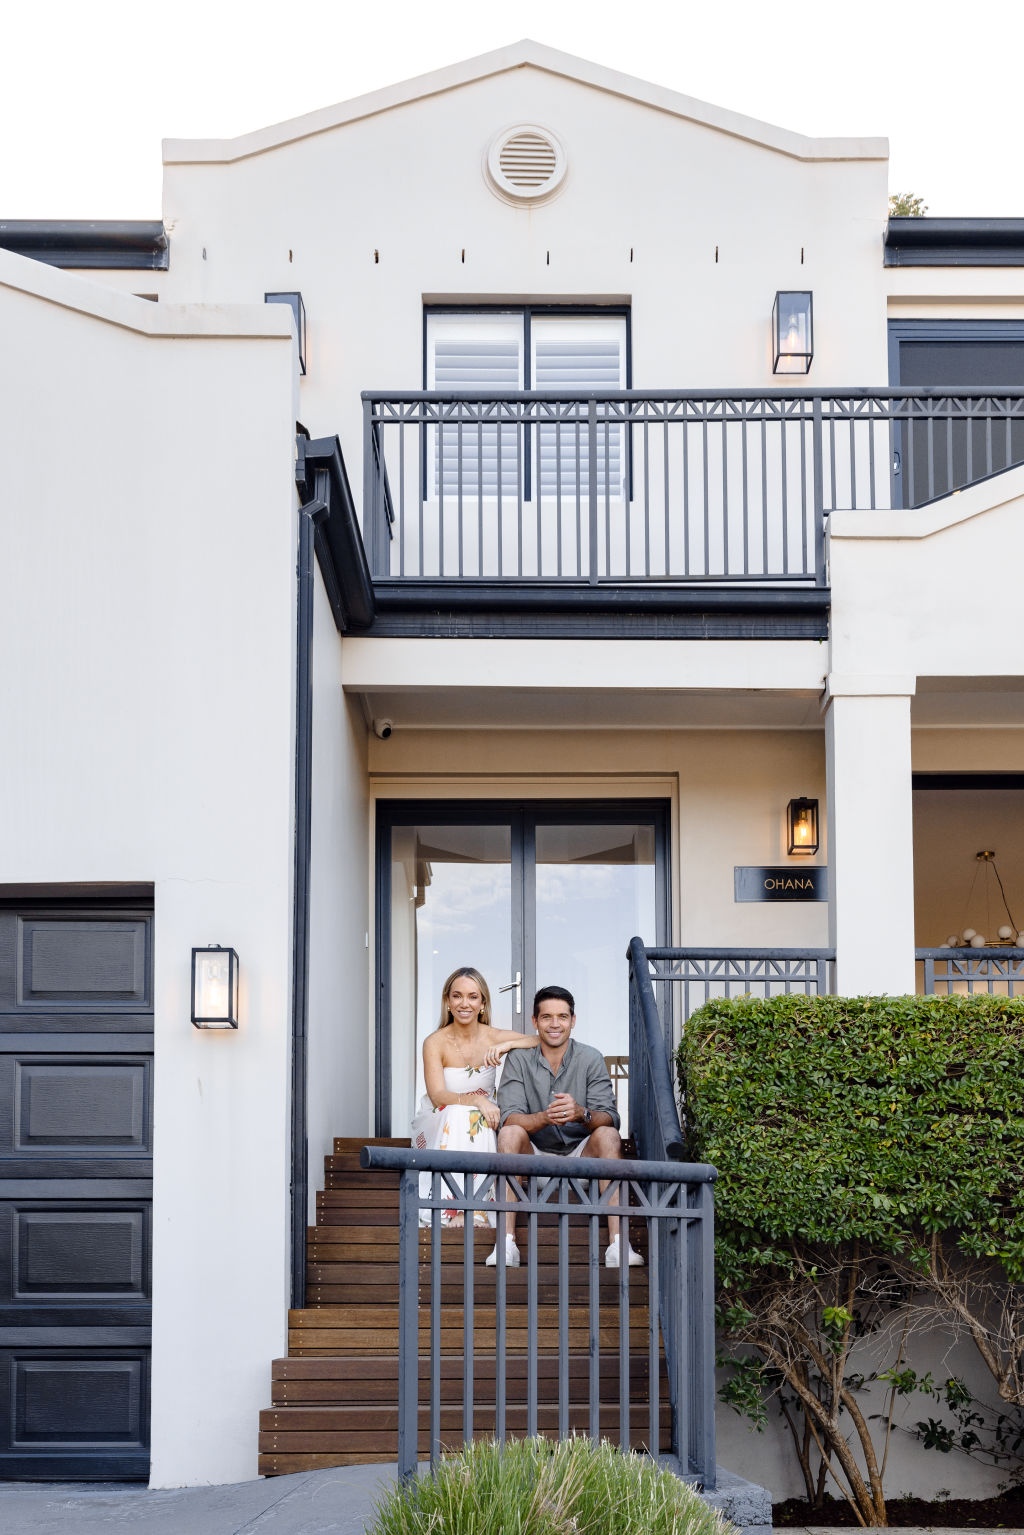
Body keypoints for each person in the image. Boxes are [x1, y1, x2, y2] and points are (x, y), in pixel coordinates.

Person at [488, 984, 644, 1268]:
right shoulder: (519, 1059)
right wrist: (544, 1118)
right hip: (533, 1158)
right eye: (546, 1017)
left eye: (562, 1016)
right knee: (510, 1132)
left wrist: (580, 1113)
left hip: (581, 1157)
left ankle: (619, 1245)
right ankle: (506, 1243)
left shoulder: (591, 1057)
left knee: (608, 1135)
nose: (555, 1024)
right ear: (535, 1022)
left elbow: (610, 1116)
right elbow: (509, 1116)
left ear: (573, 1020)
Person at [410, 966, 537, 1226]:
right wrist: (478, 1100)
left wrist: (508, 1044)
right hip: (440, 1116)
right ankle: (455, 1208)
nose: (464, 1003)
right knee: (463, 1113)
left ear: (482, 1003)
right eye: (457, 996)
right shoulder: (434, 1042)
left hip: (483, 1116)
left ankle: (478, 1207)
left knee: (477, 1118)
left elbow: (538, 1040)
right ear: (447, 1001)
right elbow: (437, 1096)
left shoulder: (493, 1036)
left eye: (472, 996)